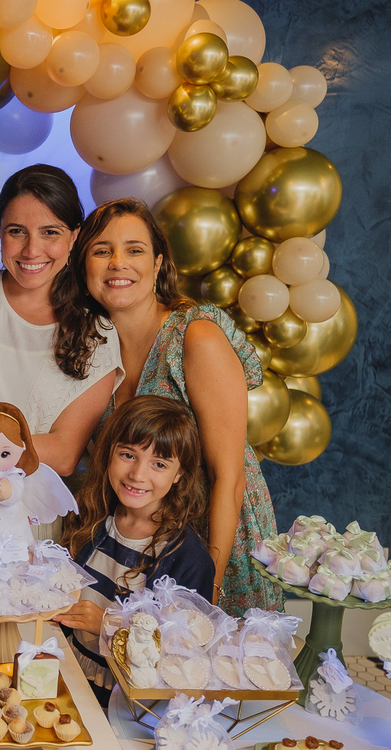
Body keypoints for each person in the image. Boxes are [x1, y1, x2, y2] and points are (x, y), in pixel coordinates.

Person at [66, 197, 283, 616]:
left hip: (210, 539)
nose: (118, 263)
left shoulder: (195, 338)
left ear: (158, 264)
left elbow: (229, 477)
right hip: (136, 544)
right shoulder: (89, 347)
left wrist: (206, 588)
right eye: (101, 250)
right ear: (83, 266)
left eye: (134, 250)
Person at [0, 164, 122, 539]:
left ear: (74, 237)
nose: (32, 250)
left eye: (50, 232)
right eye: (17, 231)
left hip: (18, 525)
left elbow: (64, 453)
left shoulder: (95, 334)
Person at [54, 394, 215, 707]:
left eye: (159, 464)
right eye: (128, 455)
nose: (138, 475)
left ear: (179, 474)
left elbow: (183, 652)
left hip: (128, 700)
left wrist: (108, 624)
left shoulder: (189, 559)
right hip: (69, 669)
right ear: (109, 453)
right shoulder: (92, 516)